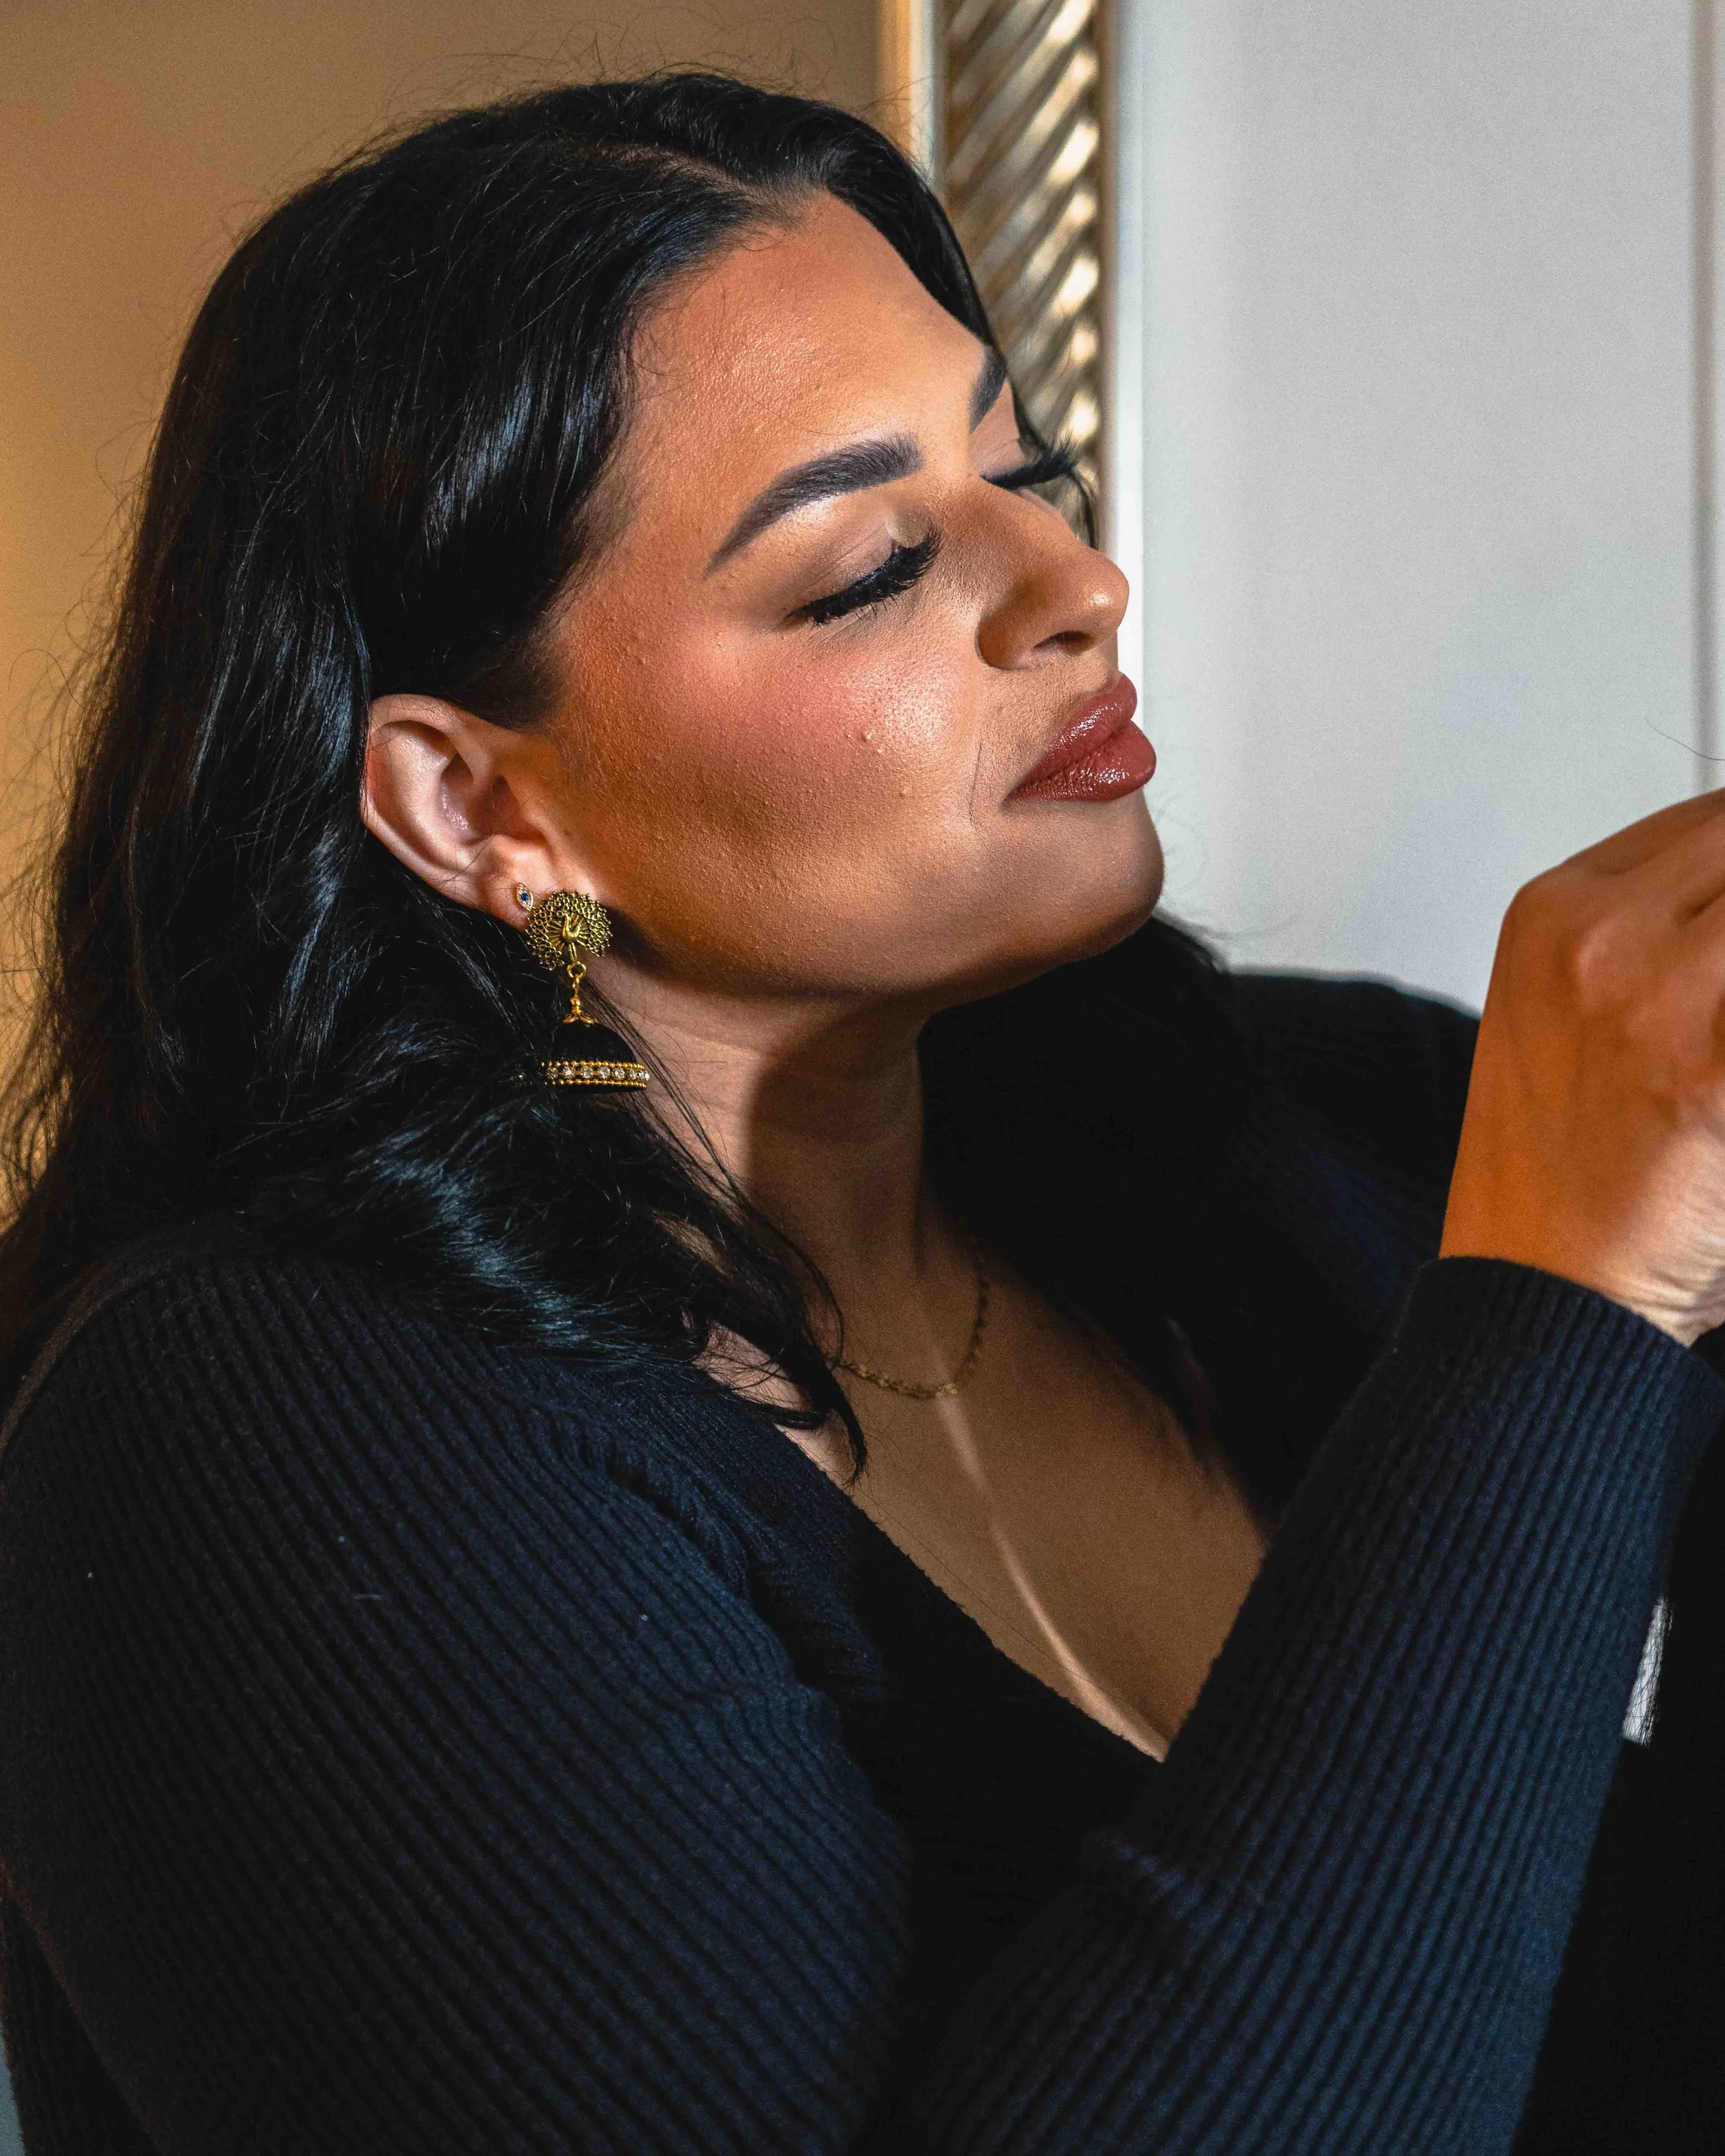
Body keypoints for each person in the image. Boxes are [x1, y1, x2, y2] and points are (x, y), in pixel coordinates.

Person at [0, 72, 1720, 2156]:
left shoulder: (1332, 1128)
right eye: (874, 565)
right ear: (479, 806)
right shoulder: (257, 1446)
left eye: (1029, 468)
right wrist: (1554, 1326)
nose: (1073, 578)